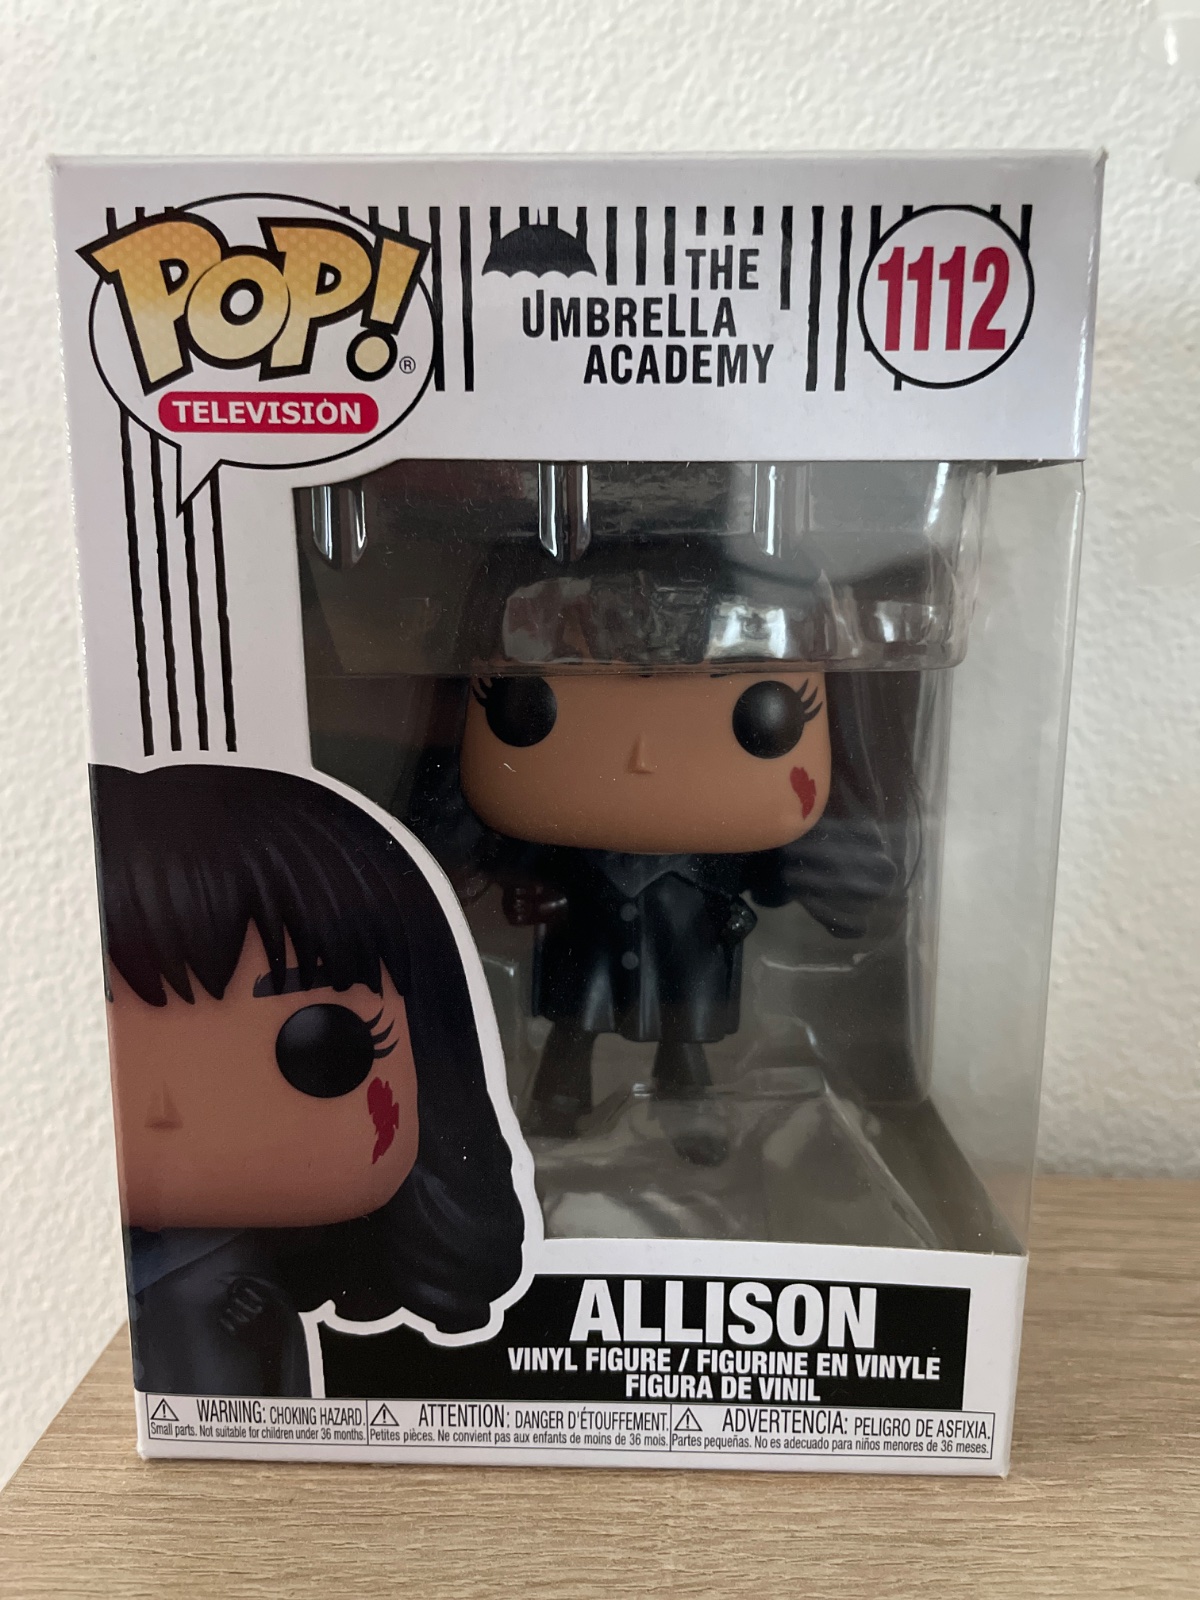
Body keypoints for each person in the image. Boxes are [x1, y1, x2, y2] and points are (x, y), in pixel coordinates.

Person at [92, 763, 525, 1397]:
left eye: (319, 1046)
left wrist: (265, 1328)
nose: (166, 1111)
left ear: (428, 1056)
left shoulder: (232, 1266)